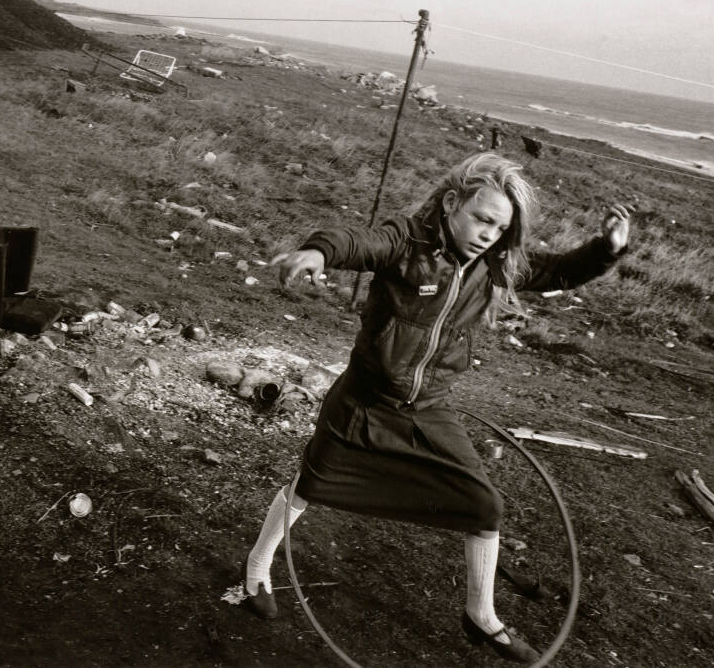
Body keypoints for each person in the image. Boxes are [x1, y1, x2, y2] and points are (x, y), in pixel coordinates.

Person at [242, 152, 631, 663]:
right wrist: (318, 252)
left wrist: (606, 249)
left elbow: (557, 272)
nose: (489, 234)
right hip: (365, 399)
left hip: (430, 406)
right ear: (451, 203)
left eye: (500, 227)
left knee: (485, 505)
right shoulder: (408, 243)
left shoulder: (495, 265)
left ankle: (481, 615)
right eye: (482, 218)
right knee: (311, 484)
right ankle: (257, 567)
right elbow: (357, 242)